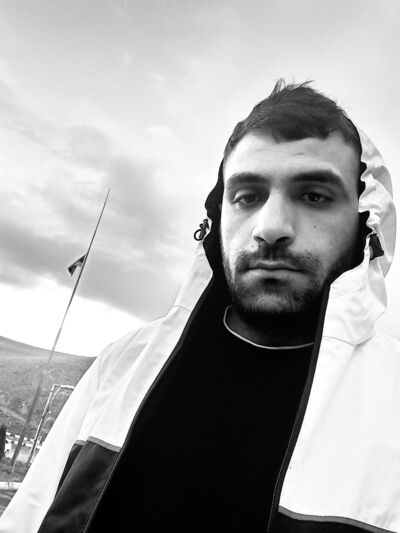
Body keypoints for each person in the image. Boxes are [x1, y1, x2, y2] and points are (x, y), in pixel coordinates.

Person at [1, 80, 399, 533]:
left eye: (314, 196)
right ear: (218, 216)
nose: (270, 227)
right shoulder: (123, 365)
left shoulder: (392, 399)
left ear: (366, 223)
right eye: (247, 197)